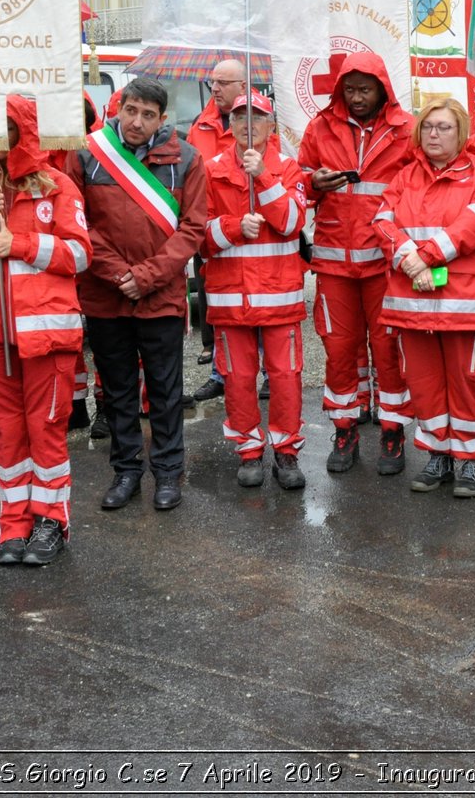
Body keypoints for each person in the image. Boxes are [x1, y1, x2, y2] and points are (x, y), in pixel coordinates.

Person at [0, 95, 89, 565]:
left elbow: (80, 255)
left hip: (45, 338)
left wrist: (22, 244)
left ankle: (52, 521)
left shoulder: (58, 186)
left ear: (23, 130)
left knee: (45, 432)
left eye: (6, 128)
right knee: (6, 437)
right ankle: (13, 523)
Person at [66, 77, 206, 512]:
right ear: (118, 108)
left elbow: (193, 229)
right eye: (131, 111)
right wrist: (116, 273)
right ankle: (126, 471)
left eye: (148, 114)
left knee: (165, 392)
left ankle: (167, 473)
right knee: (118, 390)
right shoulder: (87, 154)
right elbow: (77, 222)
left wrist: (145, 276)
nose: (137, 121)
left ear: (162, 119)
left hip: (160, 295)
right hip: (105, 294)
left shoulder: (187, 159)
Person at [373, 98, 475, 497]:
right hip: (413, 305)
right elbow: (382, 221)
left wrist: (423, 257)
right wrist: (410, 259)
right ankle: (439, 454)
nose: (434, 134)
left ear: (460, 133)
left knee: (466, 382)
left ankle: (472, 460)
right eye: (428, 126)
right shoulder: (404, 177)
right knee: (424, 384)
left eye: (444, 127)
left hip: (463, 304)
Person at [299, 53, 416, 474]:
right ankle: (345, 428)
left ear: (383, 88)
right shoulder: (320, 127)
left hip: (385, 264)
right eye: (349, 89)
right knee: (338, 350)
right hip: (334, 266)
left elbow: (420, 185)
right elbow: (299, 181)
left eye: (365, 89)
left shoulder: (407, 131)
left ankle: (392, 431)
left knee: (388, 350)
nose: (357, 97)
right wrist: (313, 182)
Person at [202, 91, 311, 491]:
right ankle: (249, 451)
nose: (248, 125)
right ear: (229, 126)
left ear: (271, 127)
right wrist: (232, 228)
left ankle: (286, 452)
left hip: (280, 299)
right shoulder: (209, 169)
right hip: (231, 300)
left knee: (285, 377)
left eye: (257, 118)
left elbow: (292, 223)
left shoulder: (288, 168)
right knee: (237, 378)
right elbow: (197, 234)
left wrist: (263, 176)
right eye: (239, 118)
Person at [189, 59, 245, 402]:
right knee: (216, 305)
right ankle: (220, 373)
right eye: (213, 83)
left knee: (266, 306)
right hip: (212, 226)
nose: (215, 89)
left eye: (223, 82)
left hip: (253, 227)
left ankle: (267, 372)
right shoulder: (202, 124)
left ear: (243, 84)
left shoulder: (259, 119)